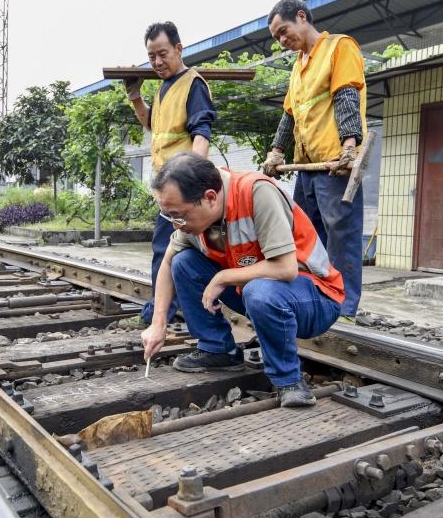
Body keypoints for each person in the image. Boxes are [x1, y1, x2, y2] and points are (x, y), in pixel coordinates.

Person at [141, 152, 343, 407]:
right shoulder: (193, 218)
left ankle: (288, 381)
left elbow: (286, 269)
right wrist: (159, 323)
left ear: (210, 198)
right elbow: (168, 262)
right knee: (183, 263)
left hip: (315, 297)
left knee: (259, 291)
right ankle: (218, 351)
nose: (176, 225)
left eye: (178, 216)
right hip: (257, 290)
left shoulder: (256, 193)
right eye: (170, 216)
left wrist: (224, 276)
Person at [261, 0, 366, 319]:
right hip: (307, 166)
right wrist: (276, 152)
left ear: (302, 17)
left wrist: (350, 145)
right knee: (305, 234)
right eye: (276, 36)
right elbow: (289, 115)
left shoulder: (339, 48)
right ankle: (315, 295)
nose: (282, 40)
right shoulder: (299, 65)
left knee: (341, 234)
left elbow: (346, 95)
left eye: (284, 31)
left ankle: (344, 305)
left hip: (334, 164)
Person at [124, 21, 217, 325]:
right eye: (151, 57)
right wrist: (136, 97)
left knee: (168, 250)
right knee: (171, 250)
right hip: (168, 189)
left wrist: (194, 184)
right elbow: (153, 126)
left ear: (179, 48)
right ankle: (174, 311)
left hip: (183, 189)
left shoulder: (193, 84)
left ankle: (162, 313)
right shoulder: (164, 88)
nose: (157, 62)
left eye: (162, 54)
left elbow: (202, 133)